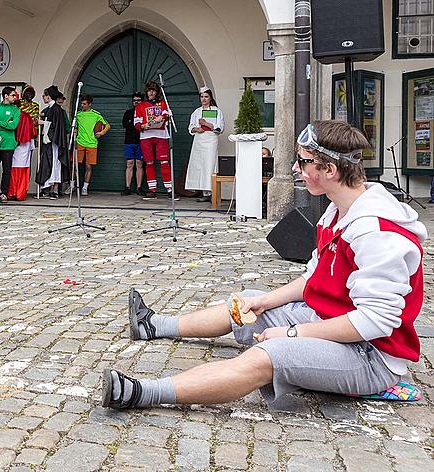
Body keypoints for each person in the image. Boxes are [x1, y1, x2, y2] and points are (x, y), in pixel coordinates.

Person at [102, 120, 425, 411]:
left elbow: (375, 322)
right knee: (244, 304)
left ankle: (140, 393)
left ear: (330, 170)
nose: (296, 168)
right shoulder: (339, 210)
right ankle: (154, 325)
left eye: (304, 161)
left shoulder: (377, 233)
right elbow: (314, 276)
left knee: (268, 357)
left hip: (370, 356)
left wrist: (293, 333)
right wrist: (265, 301)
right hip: (332, 321)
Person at [185, 87, 225, 202]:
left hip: (211, 139)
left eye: (206, 96)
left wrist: (206, 123)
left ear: (210, 97)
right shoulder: (197, 112)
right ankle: (203, 191)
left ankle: (211, 191)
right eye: (202, 97)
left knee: (210, 164)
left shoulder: (216, 111)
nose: (204, 99)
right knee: (199, 164)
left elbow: (220, 128)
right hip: (199, 139)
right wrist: (196, 129)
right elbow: (190, 127)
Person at [135, 81, 173, 199]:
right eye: (149, 90)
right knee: (149, 163)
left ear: (157, 92)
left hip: (161, 135)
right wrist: (142, 126)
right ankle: (152, 190)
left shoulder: (162, 103)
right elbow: (136, 122)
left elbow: (168, 115)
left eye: (153, 90)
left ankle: (169, 189)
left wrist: (163, 116)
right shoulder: (141, 106)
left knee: (164, 162)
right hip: (146, 136)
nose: (151, 92)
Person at [36, 85, 70, 200]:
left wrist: (42, 123)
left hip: (54, 142)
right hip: (50, 141)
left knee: (54, 163)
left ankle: (54, 189)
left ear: (49, 97)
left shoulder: (55, 109)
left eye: (44, 95)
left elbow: (55, 126)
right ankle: (50, 188)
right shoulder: (52, 109)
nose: (43, 98)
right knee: (50, 163)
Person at [74, 94, 110, 196]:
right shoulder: (78, 115)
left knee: (88, 166)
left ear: (89, 104)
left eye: (84, 104)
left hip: (92, 143)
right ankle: (72, 186)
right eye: (81, 103)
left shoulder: (96, 115)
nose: (82, 105)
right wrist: (75, 134)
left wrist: (101, 133)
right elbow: (76, 128)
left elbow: (107, 125)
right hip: (80, 142)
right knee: (75, 166)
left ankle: (85, 187)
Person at [8, 85, 38, 201]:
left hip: (16, 145)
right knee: (20, 169)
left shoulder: (20, 115)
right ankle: (20, 192)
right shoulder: (25, 116)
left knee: (12, 169)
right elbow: (32, 132)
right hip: (24, 145)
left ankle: (12, 192)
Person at [0, 86, 20, 203]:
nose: (15, 97)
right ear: (6, 96)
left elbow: (13, 125)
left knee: (7, 170)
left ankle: (3, 193)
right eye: (13, 95)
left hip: (9, 144)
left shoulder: (16, 110)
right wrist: (6, 123)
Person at [121, 93, 146, 196]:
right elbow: (125, 124)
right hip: (129, 141)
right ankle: (128, 187)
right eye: (134, 100)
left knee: (139, 164)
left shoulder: (145, 113)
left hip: (141, 141)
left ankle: (139, 187)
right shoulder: (128, 113)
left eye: (138, 100)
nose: (136, 102)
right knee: (130, 163)